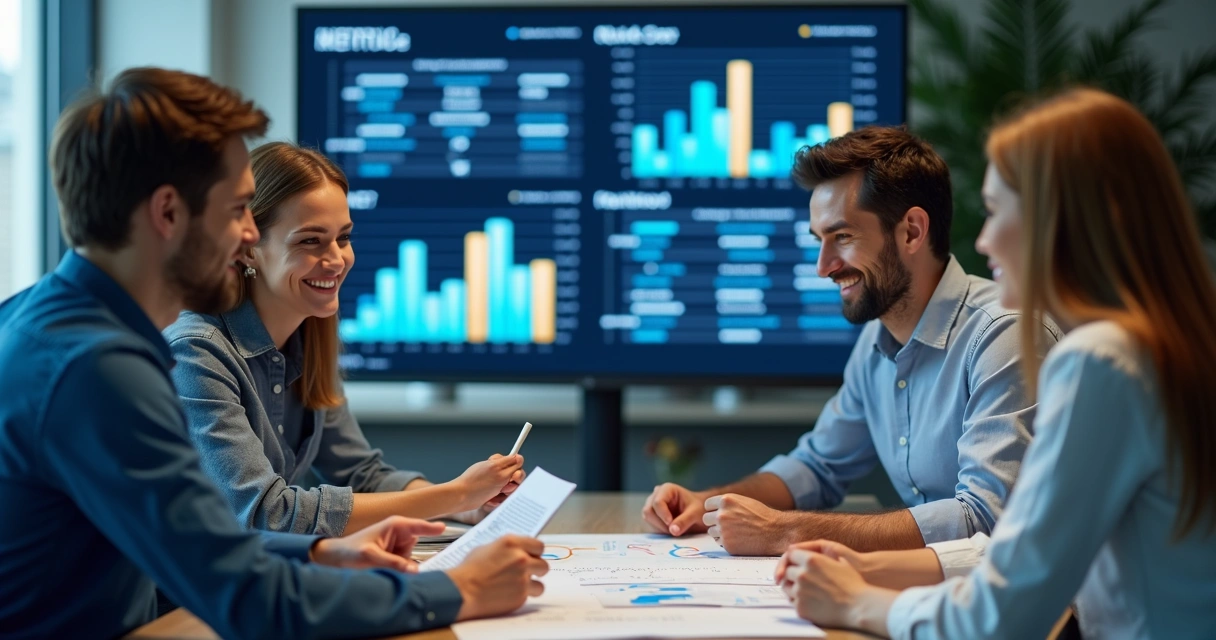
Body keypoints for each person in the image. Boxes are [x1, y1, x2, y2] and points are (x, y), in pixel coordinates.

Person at [0, 67, 547, 639]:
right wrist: (457, 589)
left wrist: (314, 556)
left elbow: (201, 547)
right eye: (238, 209)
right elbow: (246, 597)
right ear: (167, 214)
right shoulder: (97, 370)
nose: (246, 236)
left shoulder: (47, 322)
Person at [778, 88, 1216, 638]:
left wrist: (858, 603)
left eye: (994, 211)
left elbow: (1005, 613)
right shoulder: (1167, 348)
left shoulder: (1101, 364)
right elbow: (1024, 558)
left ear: (1061, 221)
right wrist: (866, 567)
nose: (982, 242)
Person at [642, 127, 1060, 555]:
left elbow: (985, 520)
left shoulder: (1005, 335)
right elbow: (817, 467)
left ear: (912, 232)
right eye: (818, 240)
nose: (823, 267)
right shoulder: (877, 342)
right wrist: (705, 503)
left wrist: (786, 531)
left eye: (842, 237)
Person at [164, 142, 522, 537]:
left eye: (344, 238)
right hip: (183, 598)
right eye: (309, 241)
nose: (336, 260)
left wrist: (468, 508)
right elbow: (265, 513)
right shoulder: (196, 353)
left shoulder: (309, 337)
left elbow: (362, 475)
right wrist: (453, 496)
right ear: (248, 249)